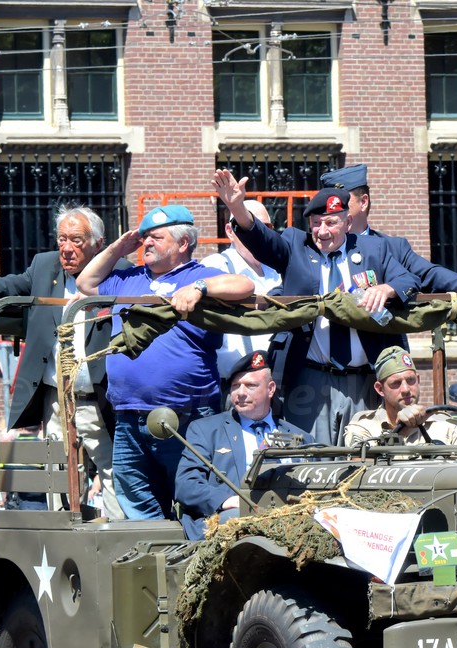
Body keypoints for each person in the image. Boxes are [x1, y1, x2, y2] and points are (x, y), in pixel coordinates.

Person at [212, 169, 421, 445]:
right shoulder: (295, 245)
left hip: (365, 378)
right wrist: (237, 207)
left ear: (347, 222)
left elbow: (410, 279)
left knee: (367, 454)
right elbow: (263, 241)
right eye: (316, 223)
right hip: (310, 377)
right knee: (310, 454)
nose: (322, 231)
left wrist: (387, 288)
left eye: (331, 222)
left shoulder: (373, 249)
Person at [0, 205, 125, 520]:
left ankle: (116, 537)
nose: (67, 249)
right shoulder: (44, 266)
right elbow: (3, 291)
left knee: (113, 468)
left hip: (99, 396)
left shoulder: (120, 271)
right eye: (62, 239)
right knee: (59, 470)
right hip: (56, 398)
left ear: (98, 243)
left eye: (77, 241)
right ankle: (63, 534)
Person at [76, 204, 255, 520]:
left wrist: (201, 289)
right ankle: (160, 556)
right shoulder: (129, 278)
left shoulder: (201, 275)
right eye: (144, 238)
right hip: (129, 415)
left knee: (193, 496)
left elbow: (244, 286)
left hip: (186, 415)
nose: (147, 243)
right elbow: (86, 283)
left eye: (156, 237)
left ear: (183, 243)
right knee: (136, 498)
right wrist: (120, 246)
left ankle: (189, 559)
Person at [175, 351, 310, 540]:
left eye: (251, 386)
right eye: (235, 386)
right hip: (233, 524)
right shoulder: (206, 430)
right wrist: (225, 501)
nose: (240, 393)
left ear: (271, 389)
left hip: (291, 521)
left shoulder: (301, 437)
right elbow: (186, 485)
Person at [319, 163, 457, 295]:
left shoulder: (392, 247)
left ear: (363, 202)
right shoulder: (314, 246)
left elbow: (429, 274)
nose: (335, 208)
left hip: (380, 343)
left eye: (342, 201)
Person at [200, 199, 284, 379]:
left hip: (277, 382)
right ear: (230, 231)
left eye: (264, 226)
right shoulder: (217, 264)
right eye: (245, 227)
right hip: (237, 383)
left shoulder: (278, 269)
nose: (256, 234)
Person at [343, 346, 457, 447]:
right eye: (396, 383)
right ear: (380, 389)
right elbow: (364, 468)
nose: (406, 389)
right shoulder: (364, 425)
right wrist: (400, 432)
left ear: (418, 380)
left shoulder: (444, 423)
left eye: (410, 380)